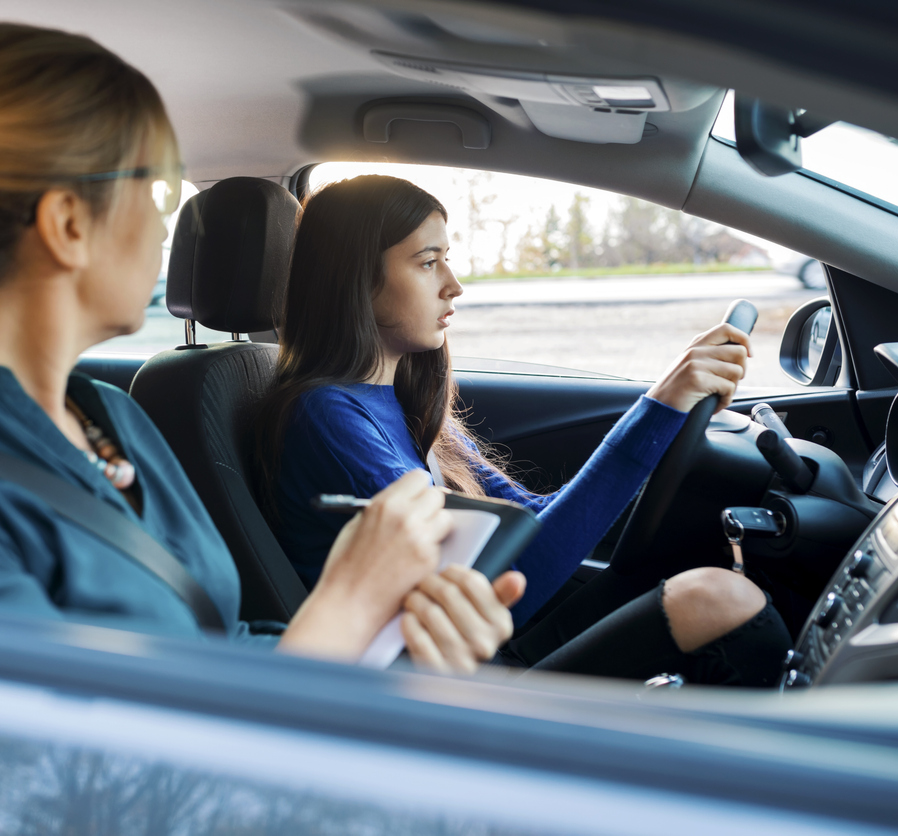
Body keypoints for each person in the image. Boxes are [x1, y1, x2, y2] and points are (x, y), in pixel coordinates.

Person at [0, 23, 519, 673]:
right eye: (156, 190)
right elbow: (51, 788)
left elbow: (209, 647)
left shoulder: (109, 418)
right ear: (67, 223)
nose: (166, 228)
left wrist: (395, 638)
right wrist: (346, 609)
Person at [254, 175, 792, 685]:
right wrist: (661, 405)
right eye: (427, 263)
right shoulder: (328, 417)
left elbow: (528, 521)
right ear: (356, 280)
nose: (453, 286)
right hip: (441, 679)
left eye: (449, 260)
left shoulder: (402, 405)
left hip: (484, 645)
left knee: (711, 582)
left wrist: (664, 416)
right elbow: (498, 589)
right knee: (720, 600)